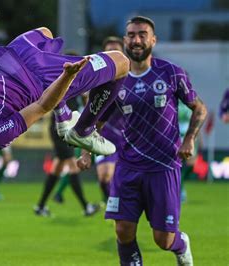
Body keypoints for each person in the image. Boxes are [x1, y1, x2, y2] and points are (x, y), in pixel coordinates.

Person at [0, 13, 129, 193]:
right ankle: (83, 129)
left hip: (9, 53)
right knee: (121, 62)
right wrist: (67, 77)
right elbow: (40, 107)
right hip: (41, 77)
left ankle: (68, 120)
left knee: (45, 31)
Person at [79, 16, 207, 265]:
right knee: (123, 231)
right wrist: (86, 151)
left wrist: (189, 138)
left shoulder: (170, 72)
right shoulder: (115, 81)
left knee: (164, 240)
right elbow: (98, 120)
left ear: (153, 40)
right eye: (131, 35)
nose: (136, 40)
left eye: (142, 34)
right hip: (128, 166)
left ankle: (182, 245)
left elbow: (199, 108)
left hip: (163, 166)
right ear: (125, 40)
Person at [35, 97, 100, 217]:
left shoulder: (74, 85)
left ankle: (40, 206)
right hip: (61, 128)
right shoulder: (70, 85)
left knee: (57, 168)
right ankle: (86, 207)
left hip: (63, 128)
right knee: (73, 166)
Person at [94, 36, 125, 204]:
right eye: (109, 51)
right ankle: (110, 204)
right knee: (104, 177)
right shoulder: (96, 79)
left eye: (116, 51)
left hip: (126, 138)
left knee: (120, 177)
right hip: (103, 135)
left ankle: (118, 206)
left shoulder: (131, 79)